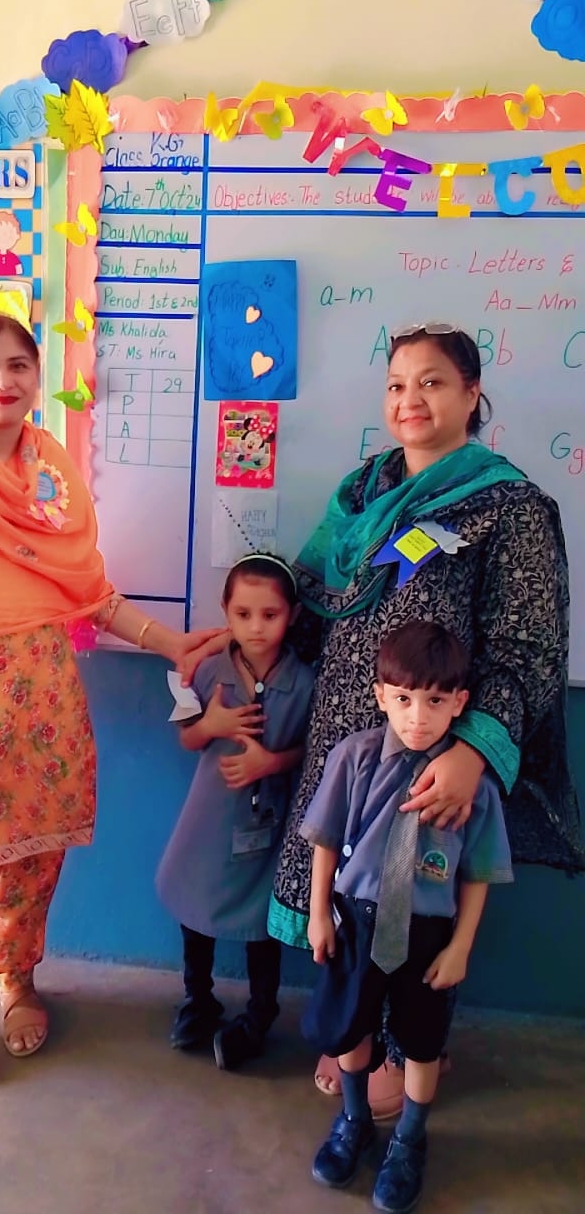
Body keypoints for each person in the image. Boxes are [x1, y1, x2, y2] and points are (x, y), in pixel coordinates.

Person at [184, 322, 582, 1115]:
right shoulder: (361, 495)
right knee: (345, 893)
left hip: (430, 749)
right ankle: (353, 1029)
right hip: (342, 741)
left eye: (432, 382)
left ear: (472, 394)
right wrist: (239, 641)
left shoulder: (509, 507)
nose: (410, 400)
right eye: (398, 384)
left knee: (411, 900)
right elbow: (306, 598)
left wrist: (472, 752)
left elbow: (527, 646)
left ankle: (409, 1045)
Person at [0, 311, 217, 1087]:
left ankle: (15, 979)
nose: (3, 381)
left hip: (36, 699)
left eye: (18, 365)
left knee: (30, 850)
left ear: (37, 376)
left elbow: (85, 589)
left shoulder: (48, 466)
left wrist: (171, 643)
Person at [302, 621, 512, 1212]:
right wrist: (318, 914)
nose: (418, 717)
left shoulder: (473, 789)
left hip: (426, 933)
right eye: (403, 699)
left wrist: (460, 947)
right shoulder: (355, 758)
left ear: (459, 703)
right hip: (357, 920)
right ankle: (354, 1120)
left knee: (421, 1043)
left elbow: (479, 873)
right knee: (352, 1028)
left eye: (435, 702)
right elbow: (324, 839)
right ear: (381, 696)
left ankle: (410, 1140)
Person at [156, 553, 314, 1071]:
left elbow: (314, 753)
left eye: (270, 614)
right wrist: (213, 726)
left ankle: (260, 1013)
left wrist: (272, 762)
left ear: (292, 615)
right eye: (243, 614)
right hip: (209, 819)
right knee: (195, 907)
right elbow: (186, 738)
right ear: (225, 612)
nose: (256, 627)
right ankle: (197, 999)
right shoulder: (204, 671)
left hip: (268, 826)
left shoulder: (306, 683)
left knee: (262, 923)